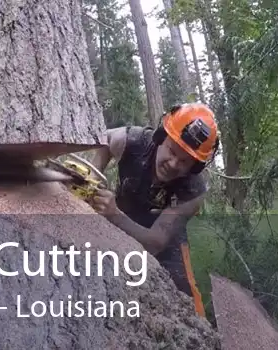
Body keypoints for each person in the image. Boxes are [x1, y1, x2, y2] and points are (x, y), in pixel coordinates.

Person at [88, 103, 220, 318]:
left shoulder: (193, 190)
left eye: (185, 162)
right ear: (161, 137)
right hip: (123, 217)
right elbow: (105, 140)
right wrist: (93, 177)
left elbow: (156, 242)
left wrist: (113, 215)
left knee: (186, 297)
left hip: (165, 238)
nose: (174, 163)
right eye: (172, 151)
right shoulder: (133, 140)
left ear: (195, 167)